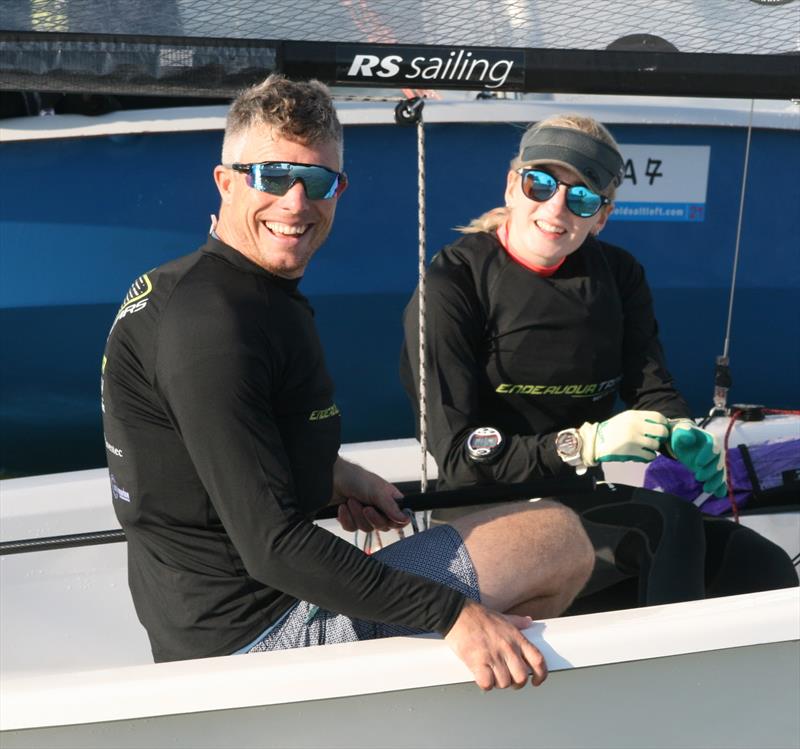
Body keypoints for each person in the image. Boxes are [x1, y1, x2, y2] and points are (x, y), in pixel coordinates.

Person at [101, 76, 595, 691]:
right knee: (554, 536)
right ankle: (474, 695)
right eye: (274, 177)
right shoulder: (214, 328)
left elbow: (211, 445)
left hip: (207, 617)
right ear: (226, 182)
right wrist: (453, 616)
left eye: (319, 182)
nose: (297, 202)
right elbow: (274, 547)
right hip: (257, 642)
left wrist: (333, 476)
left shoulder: (197, 289)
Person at [400, 115, 797, 603]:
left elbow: (650, 388)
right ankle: (662, 676)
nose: (557, 206)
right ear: (511, 186)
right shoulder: (454, 281)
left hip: (575, 503)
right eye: (540, 183)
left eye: (582, 196)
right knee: (665, 526)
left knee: (760, 565)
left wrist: (680, 432)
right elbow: (460, 457)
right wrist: (584, 444)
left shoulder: (619, 275)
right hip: (479, 511)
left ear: (601, 216)